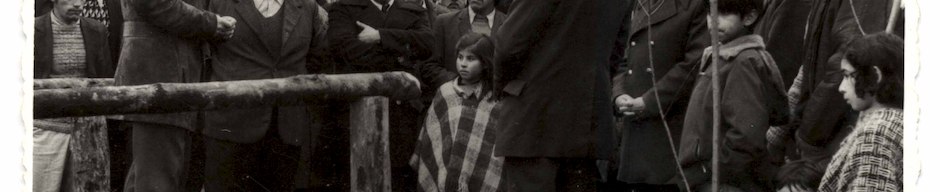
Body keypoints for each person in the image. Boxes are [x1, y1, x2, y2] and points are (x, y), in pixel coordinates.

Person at [491, 0, 630, 191]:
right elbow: (615, 54)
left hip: (534, 123)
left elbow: (508, 45)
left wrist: (502, 87)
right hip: (585, 128)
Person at [199, 0, 326, 191]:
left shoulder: (308, 7)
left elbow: (317, 56)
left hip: (286, 127)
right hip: (230, 124)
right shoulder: (218, 3)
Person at [114, 0, 236, 191]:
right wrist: (211, 24)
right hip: (160, 76)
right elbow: (154, 4)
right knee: (157, 182)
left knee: (148, 178)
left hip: (171, 78)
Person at [676, 0, 788, 191]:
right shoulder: (723, 55)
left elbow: (745, 136)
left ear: (750, 17)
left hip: (724, 182)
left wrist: (708, 171)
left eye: (725, 14)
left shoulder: (743, 61)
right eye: (711, 13)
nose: (714, 21)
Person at [327, 0, 432, 190]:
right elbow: (344, 49)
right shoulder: (343, 8)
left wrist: (379, 36)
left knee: (398, 176)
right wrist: (401, 56)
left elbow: (427, 43)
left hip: (400, 116)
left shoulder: (413, 10)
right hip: (353, 111)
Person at [610, 0, 709, 190]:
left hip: (668, 131)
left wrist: (649, 101)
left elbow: (693, 65)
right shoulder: (640, 4)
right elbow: (625, 58)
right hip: (633, 130)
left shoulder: (694, 6)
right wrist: (618, 95)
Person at [33, 0, 113, 190]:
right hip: (46, 128)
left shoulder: (97, 30)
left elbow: (105, 78)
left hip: (88, 130)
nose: (78, 4)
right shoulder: (33, 29)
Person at [411, 33, 505, 192]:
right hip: (445, 175)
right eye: (460, 57)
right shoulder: (446, 93)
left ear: (485, 63)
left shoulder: (494, 100)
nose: (463, 64)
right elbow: (432, 138)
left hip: (481, 175)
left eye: (470, 59)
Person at [818, 32, 903, 192]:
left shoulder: (876, 137)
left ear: (875, 75)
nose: (841, 88)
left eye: (847, 75)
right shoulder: (896, 123)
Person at [418, 0, 504, 97]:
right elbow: (429, 65)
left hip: (497, 102)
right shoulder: (444, 22)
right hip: (452, 103)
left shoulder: (509, 25)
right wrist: (458, 84)